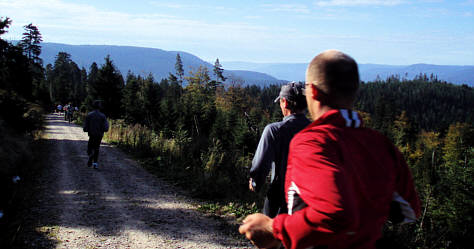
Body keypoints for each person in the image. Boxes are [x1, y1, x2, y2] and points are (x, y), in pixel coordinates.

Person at [239, 50, 421, 249]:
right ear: (353, 92)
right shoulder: (382, 144)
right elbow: (409, 210)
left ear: (314, 92)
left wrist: (273, 228)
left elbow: (337, 213)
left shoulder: (312, 142)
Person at [249, 81, 310, 218]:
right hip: (308, 201)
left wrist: (255, 181)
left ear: (285, 102)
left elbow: (261, 163)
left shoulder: (274, 130)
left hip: (279, 198)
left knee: (272, 236)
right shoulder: (316, 130)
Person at [83, 100, 109, 169]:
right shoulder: (103, 116)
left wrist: (86, 129)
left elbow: (85, 126)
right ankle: (95, 164)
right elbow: (106, 127)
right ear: (99, 107)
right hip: (99, 135)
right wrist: (104, 129)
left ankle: (90, 155)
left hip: (91, 134)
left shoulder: (89, 115)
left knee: (90, 147)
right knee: (97, 148)